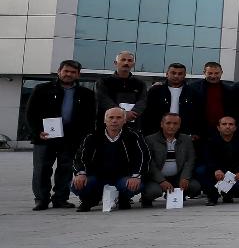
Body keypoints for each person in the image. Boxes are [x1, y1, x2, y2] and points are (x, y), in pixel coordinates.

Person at [26, 59, 98, 210]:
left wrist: (85, 138)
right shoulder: (42, 89)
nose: (69, 74)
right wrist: (37, 132)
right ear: (59, 72)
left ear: (78, 75)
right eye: (66, 71)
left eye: (73, 72)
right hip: (45, 137)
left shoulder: (86, 94)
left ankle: (60, 199)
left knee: (66, 169)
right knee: (41, 169)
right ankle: (41, 199)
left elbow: (90, 117)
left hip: (71, 139)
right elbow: (30, 113)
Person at [70, 107, 150, 211]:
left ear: (124, 120)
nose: (114, 121)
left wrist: (136, 176)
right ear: (105, 120)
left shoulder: (134, 136)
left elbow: (143, 157)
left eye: (118, 117)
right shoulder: (92, 136)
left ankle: (123, 198)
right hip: (97, 177)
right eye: (111, 117)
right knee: (75, 184)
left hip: (122, 177)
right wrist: (81, 173)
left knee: (137, 185)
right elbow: (80, 157)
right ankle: (89, 200)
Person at [194, 115, 239, 205]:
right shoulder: (210, 141)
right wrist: (215, 170)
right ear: (218, 127)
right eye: (224, 124)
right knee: (200, 170)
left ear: (235, 128)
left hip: (234, 174)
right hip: (215, 173)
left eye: (231, 124)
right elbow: (207, 159)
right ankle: (212, 194)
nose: (227, 126)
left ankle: (228, 193)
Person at [143, 112, 197, 207]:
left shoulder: (186, 139)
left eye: (175, 123)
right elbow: (150, 164)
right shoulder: (150, 140)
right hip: (156, 179)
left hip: (177, 177)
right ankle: (146, 198)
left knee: (195, 186)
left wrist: (185, 177)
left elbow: (190, 160)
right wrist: (161, 180)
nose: (172, 126)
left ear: (179, 125)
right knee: (153, 191)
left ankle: (176, 196)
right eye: (168, 123)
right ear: (162, 124)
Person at [141, 62, 199, 137]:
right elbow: (147, 112)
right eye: (173, 73)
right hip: (157, 133)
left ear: (184, 75)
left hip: (183, 134)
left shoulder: (192, 92)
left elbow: (197, 114)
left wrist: (195, 132)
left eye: (180, 74)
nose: (176, 76)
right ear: (167, 74)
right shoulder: (155, 91)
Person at [189, 61, 239, 141]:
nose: (213, 76)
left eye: (216, 73)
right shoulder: (193, 88)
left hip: (223, 130)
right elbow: (189, 110)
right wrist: (192, 130)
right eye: (210, 73)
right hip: (200, 130)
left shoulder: (229, 89)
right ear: (204, 72)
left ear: (221, 73)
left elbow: (235, 110)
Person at [95, 50, 147, 130]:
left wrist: (133, 113)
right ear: (115, 63)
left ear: (133, 64)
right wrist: (122, 114)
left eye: (130, 60)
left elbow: (142, 101)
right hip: (108, 127)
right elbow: (104, 100)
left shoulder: (140, 84)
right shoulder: (104, 82)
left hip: (133, 126)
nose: (126, 63)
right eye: (123, 60)